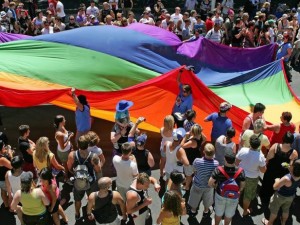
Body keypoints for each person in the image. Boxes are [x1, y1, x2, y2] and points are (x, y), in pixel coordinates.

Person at [67, 135, 101, 221]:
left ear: (78, 145)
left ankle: (77, 214)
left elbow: (69, 168)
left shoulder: (72, 155)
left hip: (78, 183)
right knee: (91, 198)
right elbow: (98, 170)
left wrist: (76, 173)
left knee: (77, 200)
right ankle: (89, 213)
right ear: (88, 145)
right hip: (90, 182)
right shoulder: (94, 157)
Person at [208, 150, 246, 225]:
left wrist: (215, 187)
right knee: (229, 214)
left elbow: (210, 183)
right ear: (234, 159)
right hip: (234, 196)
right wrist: (239, 190)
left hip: (220, 194)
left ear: (225, 159)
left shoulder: (218, 170)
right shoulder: (240, 171)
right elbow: (243, 185)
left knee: (218, 213)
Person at [260, 131, 298, 204]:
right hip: (282, 174)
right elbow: (291, 167)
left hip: (271, 171)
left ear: (283, 138)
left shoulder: (275, 146)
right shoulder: (294, 152)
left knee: (267, 186)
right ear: (291, 141)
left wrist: (266, 164)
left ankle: (264, 199)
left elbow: (268, 158)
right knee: (278, 188)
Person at [261, 159, 300, 225]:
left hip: (280, 197)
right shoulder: (298, 176)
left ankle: (270, 223)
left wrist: (277, 180)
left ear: (293, 167)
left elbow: (275, 187)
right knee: (286, 210)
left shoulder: (286, 178)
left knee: (274, 211)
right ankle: (283, 222)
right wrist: (288, 166)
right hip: (290, 197)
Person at [236, 135, 267, 216]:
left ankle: (234, 207)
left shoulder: (243, 150)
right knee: (248, 196)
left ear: (249, 143)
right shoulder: (260, 156)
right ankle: (245, 211)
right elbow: (263, 170)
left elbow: (236, 162)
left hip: (240, 175)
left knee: (238, 191)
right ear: (259, 145)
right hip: (252, 178)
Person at [188, 143, 219, 218]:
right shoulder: (216, 163)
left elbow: (194, 170)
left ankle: (193, 211)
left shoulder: (197, 161)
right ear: (214, 153)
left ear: (204, 151)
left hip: (197, 184)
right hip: (208, 186)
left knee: (194, 199)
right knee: (207, 200)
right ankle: (206, 211)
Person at [181, 124, 206, 191]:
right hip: (196, 157)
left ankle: (187, 187)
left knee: (189, 175)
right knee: (195, 171)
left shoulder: (192, 142)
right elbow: (205, 139)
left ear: (193, 132)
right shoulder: (200, 137)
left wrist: (185, 137)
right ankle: (189, 181)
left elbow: (182, 146)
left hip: (190, 160)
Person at [5, 156, 24, 224]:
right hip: (24, 196)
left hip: (15, 196)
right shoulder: (24, 174)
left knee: (18, 211)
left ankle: (22, 222)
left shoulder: (8, 174)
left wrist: (10, 197)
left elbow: (8, 187)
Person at [0, 140, 13, 209]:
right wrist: (10, 154)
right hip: (5, 179)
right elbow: (13, 166)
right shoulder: (2, 159)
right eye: (3, 146)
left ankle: (5, 205)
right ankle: (10, 207)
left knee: (3, 191)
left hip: (0, 179)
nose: (4, 147)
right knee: (10, 193)